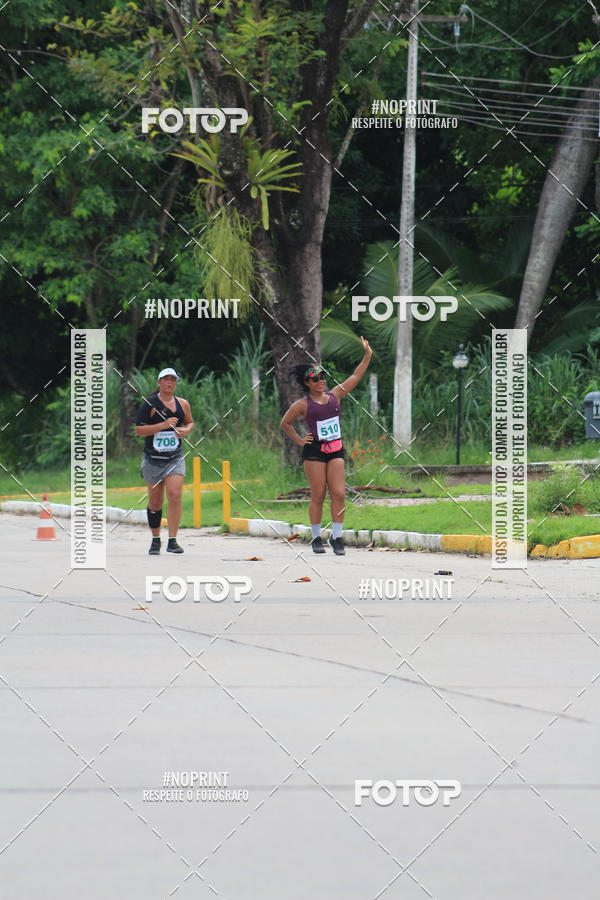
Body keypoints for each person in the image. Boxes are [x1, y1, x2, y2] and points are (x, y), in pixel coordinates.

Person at [280, 338, 372, 556]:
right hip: (314, 452)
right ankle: (315, 537)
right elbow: (285, 423)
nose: (321, 381)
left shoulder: (335, 396)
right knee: (318, 494)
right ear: (308, 384)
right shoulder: (302, 404)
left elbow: (356, 376)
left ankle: (337, 537)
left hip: (336, 450)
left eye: (322, 377)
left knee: (339, 493)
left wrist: (367, 354)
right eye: (315, 379)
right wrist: (300, 441)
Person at [134, 367, 194, 555]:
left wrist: (185, 431)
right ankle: (155, 539)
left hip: (174, 458)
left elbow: (190, 422)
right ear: (159, 382)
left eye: (173, 380)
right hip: (153, 459)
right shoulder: (149, 404)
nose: (170, 383)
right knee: (155, 502)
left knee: (175, 495)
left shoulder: (182, 404)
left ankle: (173, 540)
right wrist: (162, 425)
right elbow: (139, 430)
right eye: (166, 379)